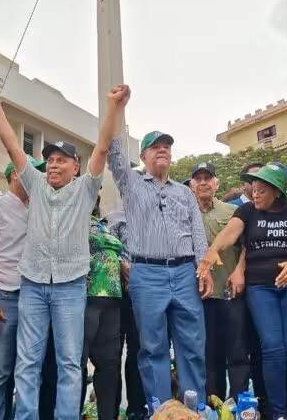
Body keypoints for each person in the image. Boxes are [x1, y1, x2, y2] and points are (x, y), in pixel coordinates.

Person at [0, 78, 123, 418]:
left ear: (76, 167)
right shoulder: (35, 185)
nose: (53, 164)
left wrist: (113, 107)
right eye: (50, 158)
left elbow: (103, 147)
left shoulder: (84, 189)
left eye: (62, 159)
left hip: (69, 287)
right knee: (27, 363)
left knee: (69, 363)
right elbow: (10, 146)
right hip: (33, 286)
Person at [108, 101, 213, 402]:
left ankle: (195, 407)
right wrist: (116, 108)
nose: (162, 149)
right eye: (155, 146)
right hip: (147, 273)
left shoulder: (185, 192)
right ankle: (161, 409)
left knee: (192, 345)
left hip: (184, 273)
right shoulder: (131, 183)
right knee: (152, 347)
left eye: (166, 145)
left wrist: (204, 268)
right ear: (142, 156)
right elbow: (113, 152)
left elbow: (196, 233)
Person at [200, 163, 287, 420]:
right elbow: (230, 233)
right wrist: (212, 251)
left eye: (262, 190)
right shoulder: (247, 211)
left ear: (277, 191)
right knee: (273, 347)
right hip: (261, 287)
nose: (255, 194)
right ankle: (278, 412)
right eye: (253, 189)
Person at [0, 156, 45, 420]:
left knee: (28, 371)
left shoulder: (39, 206)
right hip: (4, 296)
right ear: (15, 174)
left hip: (35, 296)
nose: (37, 178)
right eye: (30, 172)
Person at [188, 162, 252, 401]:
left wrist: (239, 271)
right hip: (199, 296)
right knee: (209, 356)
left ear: (216, 183)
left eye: (208, 178)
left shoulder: (232, 211)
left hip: (230, 292)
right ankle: (214, 408)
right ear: (191, 185)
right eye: (198, 179)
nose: (203, 182)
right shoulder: (185, 212)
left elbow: (247, 244)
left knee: (237, 353)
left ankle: (239, 407)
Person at [80, 195, 124, 419]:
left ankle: (107, 415)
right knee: (77, 363)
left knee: (109, 364)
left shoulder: (102, 224)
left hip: (112, 300)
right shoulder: (73, 219)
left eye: (96, 197)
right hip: (85, 298)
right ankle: (72, 413)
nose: (93, 200)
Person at [106, 209, 147, 420]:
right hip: (112, 294)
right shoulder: (113, 218)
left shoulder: (151, 217)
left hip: (140, 294)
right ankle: (110, 411)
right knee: (111, 355)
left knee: (137, 351)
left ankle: (136, 409)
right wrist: (119, 264)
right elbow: (102, 247)